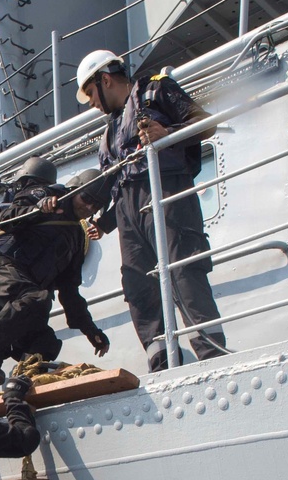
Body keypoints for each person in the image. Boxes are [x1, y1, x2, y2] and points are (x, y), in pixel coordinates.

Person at [75, 49, 228, 372]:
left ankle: (212, 352)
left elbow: (206, 124)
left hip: (167, 192)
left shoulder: (156, 90)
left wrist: (166, 134)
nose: (92, 103)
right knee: (137, 286)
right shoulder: (110, 131)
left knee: (183, 269)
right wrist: (105, 223)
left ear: (105, 80)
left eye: (90, 93)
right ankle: (161, 359)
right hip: (129, 214)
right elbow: (121, 185)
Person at [0, 160, 110, 388]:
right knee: (36, 298)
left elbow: (69, 292)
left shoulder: (76, 238)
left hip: (16, 284)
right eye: (86, 198)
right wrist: (37, 210)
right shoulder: (47, 195)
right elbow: (7, 217)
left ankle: (1, 390)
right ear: (74, 189)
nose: (89, 208)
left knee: (43, 342)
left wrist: (90, 330)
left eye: (96, 206)